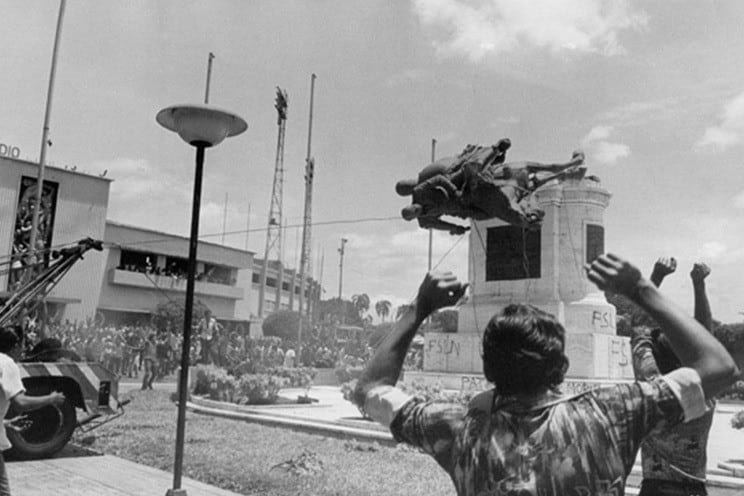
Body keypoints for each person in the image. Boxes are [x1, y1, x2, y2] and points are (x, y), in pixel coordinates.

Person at [353, 254, 738, 496]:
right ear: (562, 368)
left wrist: (419, 309)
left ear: (487, 368)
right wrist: (641, 288)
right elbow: (719, 368)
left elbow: (370, 389)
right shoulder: (611, 414)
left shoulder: (457, 430)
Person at [632, 257, 717, 496]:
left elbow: (638, 328)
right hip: (693, 490)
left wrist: (656, 277)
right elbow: (706, 341)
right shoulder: (704, 398)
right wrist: (699, 285)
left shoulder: (650, 393)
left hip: (654, 489)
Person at [0, 327, 66, 495]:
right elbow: (20, 403)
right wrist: (51, 399)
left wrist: (6, 423)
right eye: (22, 345)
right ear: (15, 346)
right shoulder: (6, 364)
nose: (23, 349)